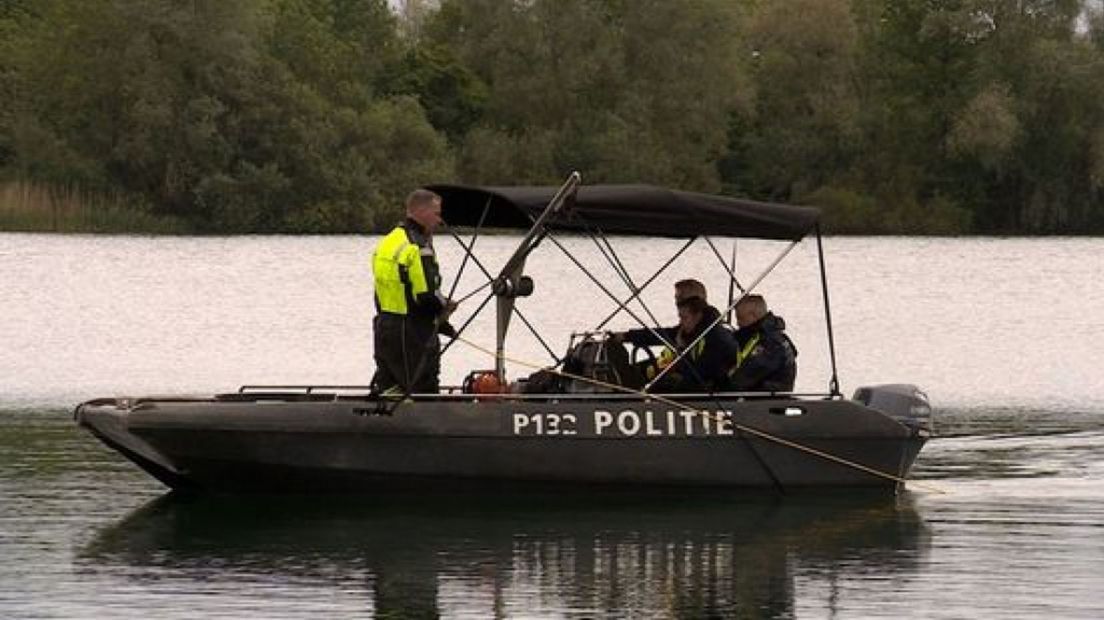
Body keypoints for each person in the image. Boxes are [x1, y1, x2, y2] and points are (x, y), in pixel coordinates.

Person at [370, 189, 457, 395]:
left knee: (390, 389)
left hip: (384, 327)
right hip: (413, 333)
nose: (439, 220)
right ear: (422, 212)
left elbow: (385, 288)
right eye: (436, 213)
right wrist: (446, 306)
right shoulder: (417, 248)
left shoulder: (387, 242)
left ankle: (383, 422)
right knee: (422, 390)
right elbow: (425, 296)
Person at [612, 279, 735, 392]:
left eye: (680, 297)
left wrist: (680, 351)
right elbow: (662, 335)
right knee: (632, 371)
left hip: (702, 390)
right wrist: (627, 336)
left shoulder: (714, 336)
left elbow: (699, 373)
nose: (676, 301)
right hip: (671, 367)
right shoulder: (689, 328)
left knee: (661, 384)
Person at [727, 294, 797, 392]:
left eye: (740, 318)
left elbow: (745, 377)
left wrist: (726, 377)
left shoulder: (770, 343)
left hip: (765, 401)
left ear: (753, 316)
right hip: (753, 397)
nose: (738, 323)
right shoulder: (756, 336)